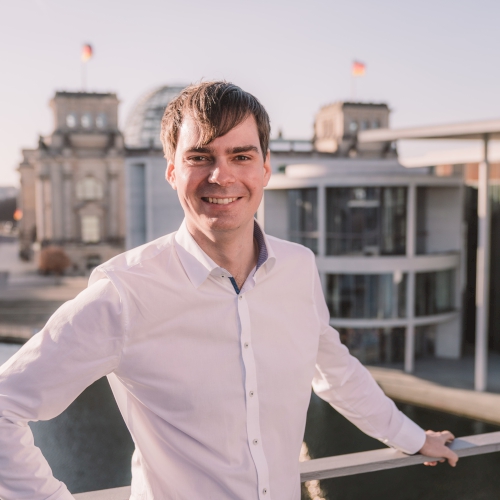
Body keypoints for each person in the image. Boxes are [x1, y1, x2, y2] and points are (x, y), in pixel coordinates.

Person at [0, 81, 457, 500]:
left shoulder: (298, 267)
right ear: (172, 172)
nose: (222, 176)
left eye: (241, 156)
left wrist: (414, 438)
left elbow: (336, 371)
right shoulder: (125, 294)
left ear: (265, 169)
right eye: (200, 157)